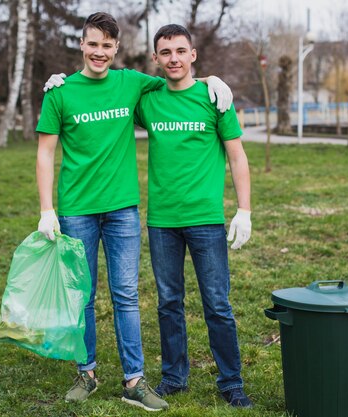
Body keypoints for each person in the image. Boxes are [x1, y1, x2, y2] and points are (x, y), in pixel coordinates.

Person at [35, 12, 232, 411]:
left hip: (124, 209)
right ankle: (86, 373)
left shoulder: (131, 83)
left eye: (107, 46)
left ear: (116, 49)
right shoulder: (60, 92)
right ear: (82, 45)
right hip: (76, 210)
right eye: (93, 44)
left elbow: (178, 81)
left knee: (126, 295)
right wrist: (46, 209)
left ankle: (134, 381)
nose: (100, 52)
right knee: (83, 296)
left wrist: (213, 79)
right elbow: (44, 153)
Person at [133, 24, 253, 408]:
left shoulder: (213, 97)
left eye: (180, 51)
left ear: (193, 55)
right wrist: (65, 82)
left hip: (205, 219)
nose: (173, 59)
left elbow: (236, 154)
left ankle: (230, 380)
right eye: (165, 52)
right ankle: (174, 376)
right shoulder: (148, 100)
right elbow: (105, 93)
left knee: (217, 302)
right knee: (169, 302)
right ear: (156, 58)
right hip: (162, 220)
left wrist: (244, 210)